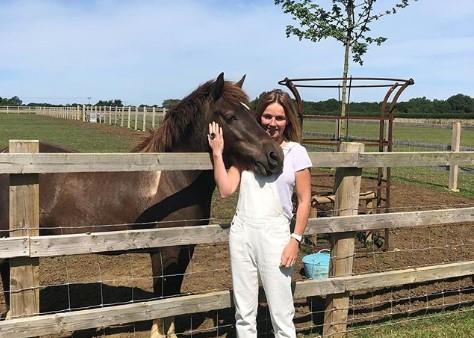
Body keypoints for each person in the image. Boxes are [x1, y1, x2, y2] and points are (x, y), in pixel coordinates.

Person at [207, 89, 312, 338]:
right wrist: (218, 152)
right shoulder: (247, 152)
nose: (272, 123)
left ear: (288, 121)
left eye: (279, 118)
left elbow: (305, 199)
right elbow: (225, 189)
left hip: (275, 235)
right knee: (244, 313)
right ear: (258, 117)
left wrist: (295, 240)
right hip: (242, 232)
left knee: (281, 312)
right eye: (267, 116)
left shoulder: (296, 152)